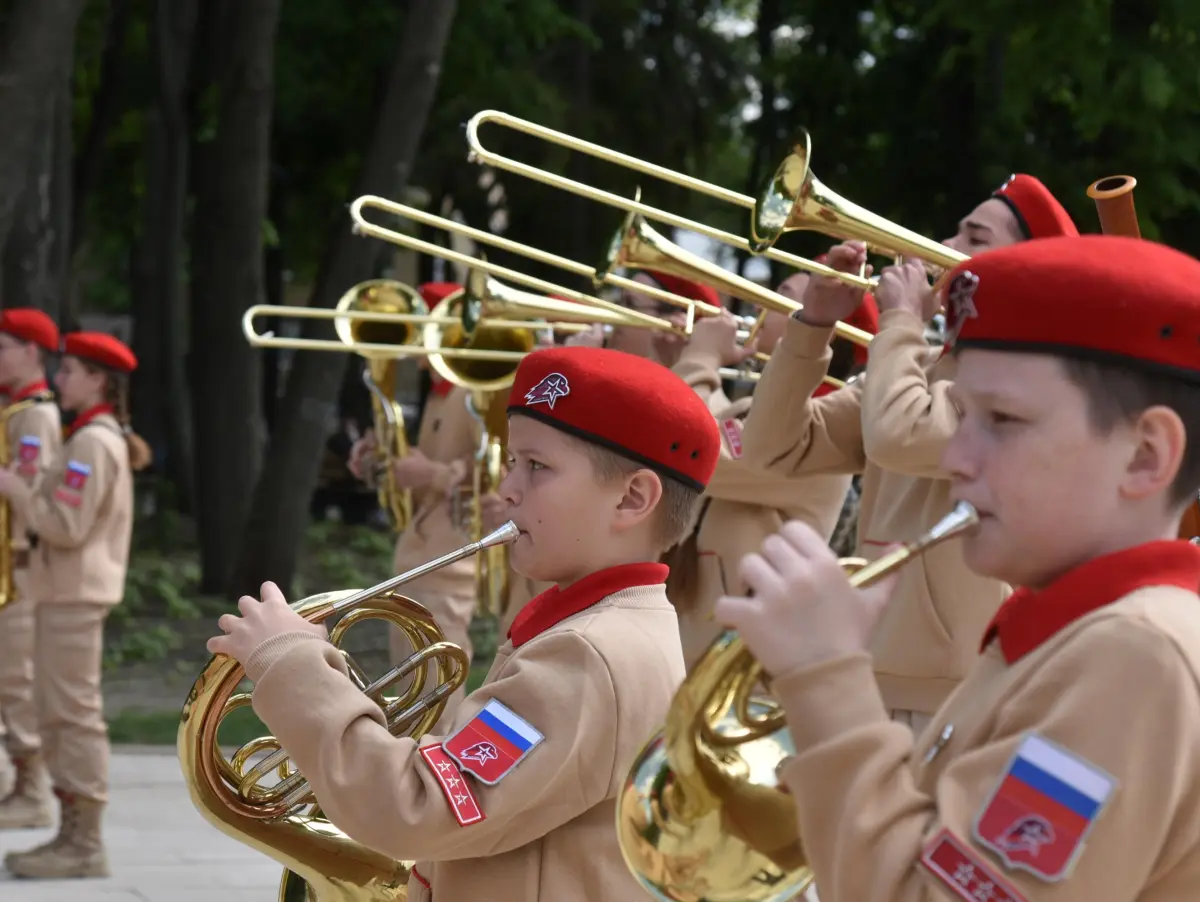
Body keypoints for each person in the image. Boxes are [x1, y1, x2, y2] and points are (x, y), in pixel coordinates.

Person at [718, 234, 1200, 902]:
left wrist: (824, 674)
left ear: (1147, 456)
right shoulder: (1081, 636)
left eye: (1002, 419)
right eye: (962, 413)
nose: (955, 457)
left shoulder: (1134, 656)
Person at [210, 345, 719, 902]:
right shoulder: (610, 628)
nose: (507, 489)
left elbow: (418, 806)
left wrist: (290, 663)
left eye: (537, 466)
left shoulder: (585, 653)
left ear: (633, 497)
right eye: (511, 462)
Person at [740, 174, 1078, 734]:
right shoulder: (915, 364)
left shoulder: (1021, 387)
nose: (945, 245)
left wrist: (900, 322)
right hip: (869, 666)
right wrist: (813, 325)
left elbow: (900, 434)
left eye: (974, 236)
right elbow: (772, 450)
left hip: (951, 692)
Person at [659, 272, 875, 669]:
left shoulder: (817, 436)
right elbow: (713, 418)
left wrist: (702, 357)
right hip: (690, 653)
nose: (760, 302)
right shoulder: (756, 414)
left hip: (735, 667)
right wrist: (685, 357)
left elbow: (688, 450)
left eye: (784, 296)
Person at [0, 331, 149, 879]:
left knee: (72, 716)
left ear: (97, 380)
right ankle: (71, 831)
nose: (58, 380)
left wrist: (18, 493)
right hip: (63, 592)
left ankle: (84, 842)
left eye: (70, 372)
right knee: (59, 714)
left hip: (74, 594)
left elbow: (65, 527)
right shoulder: (88, 436)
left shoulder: (91, 444)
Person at [347, 282, 481, 728]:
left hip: (454, 556)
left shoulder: (475, 389)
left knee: (435, 683)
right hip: (424, 552)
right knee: (413, 683)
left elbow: (500, 467)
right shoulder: (442, 391)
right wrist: (381, 461)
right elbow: (421, 477)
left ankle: (441, 778)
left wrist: (435, 475)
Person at [0, 309, 63, 830]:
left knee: (14, 679)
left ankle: (33, 788)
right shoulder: (16, 409)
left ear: (31, 351)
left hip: (19, 566)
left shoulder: (36, 416)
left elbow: (29, 492)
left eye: (5, 346)